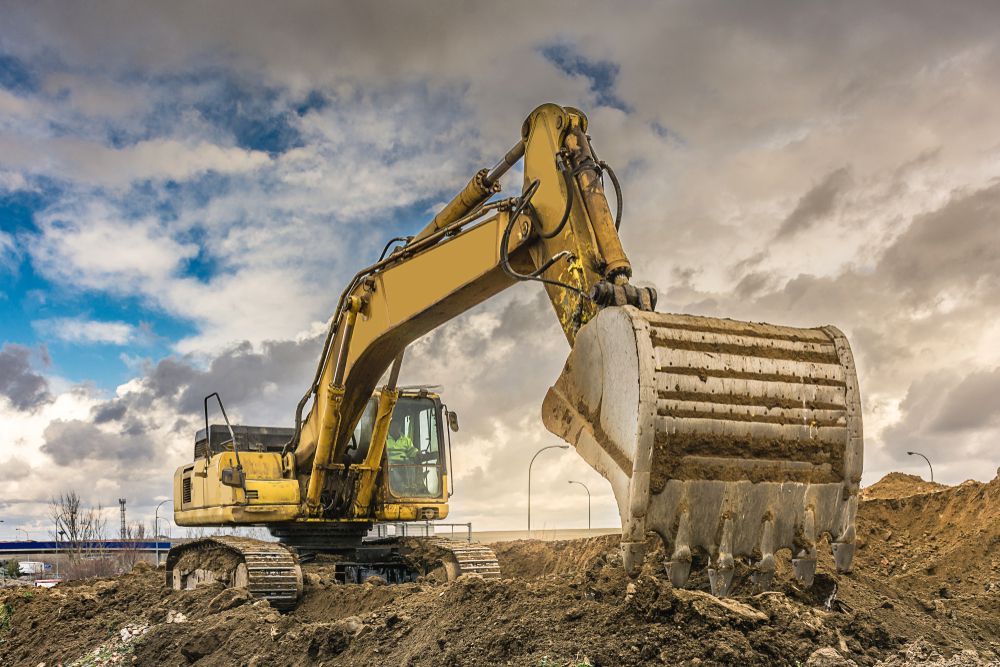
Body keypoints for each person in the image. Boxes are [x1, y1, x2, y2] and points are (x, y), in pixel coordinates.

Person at [386, 420, 419, 494]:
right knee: (392, 467)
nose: (395, 429)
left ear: (400, 428)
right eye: (393, 427)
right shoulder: (385, 439)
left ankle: (411, 485)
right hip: (390, 461)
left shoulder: (406, 440)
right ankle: (399, 487)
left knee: (410, 463)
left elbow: (412, 450)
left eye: (397, 427)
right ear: (389, 428)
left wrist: (417, 453)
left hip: (404, 461)